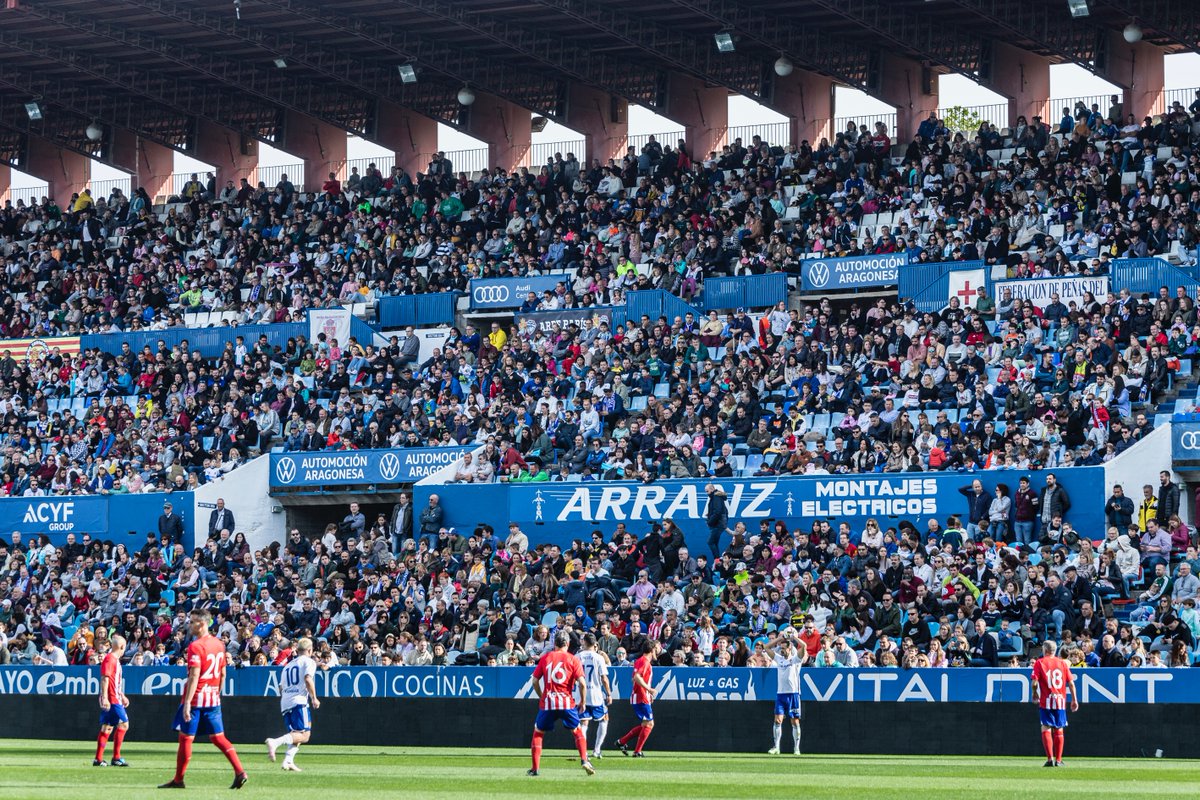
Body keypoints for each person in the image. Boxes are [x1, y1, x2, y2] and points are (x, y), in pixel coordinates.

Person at [159, 609, 247, 790]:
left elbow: (194, 676)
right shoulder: (219, 644)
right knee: (218, 738)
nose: (189, 625)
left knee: (186, 738)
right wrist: (217, 693)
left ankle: (178, 779)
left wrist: (187, 704)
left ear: (202, 623)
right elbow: (223, 673)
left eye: (192, 622)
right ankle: (240, 771)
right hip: (213, 698)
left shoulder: (196, 646)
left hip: (196, 699)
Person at [528, 630, 595, 777]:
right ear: (568, 643)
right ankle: (584, 760)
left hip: (548, 703)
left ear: (554, 643)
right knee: (577, 731)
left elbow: (534, 681)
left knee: (538, 733)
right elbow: (582, 684)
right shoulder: (573, 659)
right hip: (566, 702)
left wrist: (542, 696)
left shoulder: (546, 658)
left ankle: (535, 769)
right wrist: (583, 701)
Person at [265, 637, 320, 772]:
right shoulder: (309, 662)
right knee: (305, 735)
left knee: (297, 733)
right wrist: (314, 698)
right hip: (299, 700)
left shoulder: (288, 665)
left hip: (285, 701)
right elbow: (308, 679)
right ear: (309, 650)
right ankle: (275, 742)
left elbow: (280, 687)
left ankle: (288, 760)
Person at [1031, 640, 1079, 768]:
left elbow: (1035, 682)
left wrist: (1034, 693)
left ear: (1045, 650)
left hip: (1046, 701)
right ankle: (1058, 760)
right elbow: (1071, 683)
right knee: (1059, 729)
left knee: (1046, 727)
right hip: (1060, 701)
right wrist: (1074, 699)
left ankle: (1049, 759)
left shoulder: (1040, 662)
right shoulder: (1062, 663)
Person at [617, 640, 661, 757]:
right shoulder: (645, 662)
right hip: (641, 697)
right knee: (649, 724)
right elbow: (636, 677)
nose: (657, 651)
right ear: (652, 650)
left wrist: (647, 692)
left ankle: (622, 742)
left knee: (645, 724)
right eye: (656, 649)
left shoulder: (640, 661)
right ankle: (637, 751)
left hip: (640, 695)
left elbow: (634, 679)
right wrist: (649, 689)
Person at [765, 635, 806, 755]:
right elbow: (766, 647)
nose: (781, 650)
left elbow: (804, 646)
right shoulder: (779, 659)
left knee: (795, 722)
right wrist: (779, 639)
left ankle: (796, 748)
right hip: (781, 694)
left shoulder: (795, 659)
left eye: (784, 648)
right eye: (781, 648)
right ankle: (776, 747)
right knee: (777, 720)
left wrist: (794, 637)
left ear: (790, 648)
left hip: (793, 694)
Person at [95, 635, 131, 767]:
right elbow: (105, 678)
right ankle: (116, 757)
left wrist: (122, 694)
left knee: (107, 727)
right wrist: (105, 697)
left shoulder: (113, 659)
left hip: (115, 696)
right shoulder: (110, 659)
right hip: (112, 698)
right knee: (124, 724)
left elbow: (112, 681)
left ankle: (98, 759)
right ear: (122, 646)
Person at [576, 633, 612, 760]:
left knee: (584, 722)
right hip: (596, 695)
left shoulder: (577, 657)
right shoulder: (598, 658)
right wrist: (608, 693)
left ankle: (584, 752)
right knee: (604, 719)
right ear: (595, 643)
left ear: (584, 643)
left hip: (581, 695)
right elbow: (604, 678)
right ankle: (596, 750)